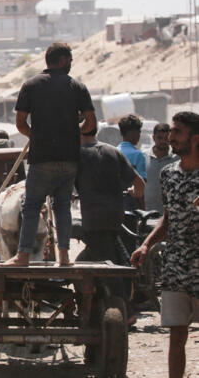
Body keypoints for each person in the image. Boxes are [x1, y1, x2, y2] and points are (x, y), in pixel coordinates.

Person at [0, 43, 96, 267]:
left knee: (32, 205)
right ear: (62, 60)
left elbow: (20, 123)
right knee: (62, 205)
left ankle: (23, 256)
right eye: (70, 60)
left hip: (42, 158)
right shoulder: (77, 87)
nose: (71, 65)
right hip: (69, 158)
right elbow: (90, 122)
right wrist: (72, 134)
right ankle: (63, 257)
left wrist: (38, 136)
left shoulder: (31, 85)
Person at [130, 111, 199, 378]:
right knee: (176, 335)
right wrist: (146, 245)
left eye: (177, 132)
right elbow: (167, 220)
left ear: (195, 138)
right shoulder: (169, 174)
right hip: (175, 268)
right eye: (170, 132)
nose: (170, 138)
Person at [74, 125, 144, 321]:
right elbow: (140, 185)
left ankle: (126, 313)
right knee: (93, 261)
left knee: (106, 267)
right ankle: (96, 308)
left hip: (95, 219)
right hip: (115, 217)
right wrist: (132, 193)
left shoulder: (77, 155)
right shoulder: (113, 151)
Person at [145, 122, 179, 212]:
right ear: (153, 138)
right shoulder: (143, 156)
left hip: (171, 212)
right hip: (147, 211)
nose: (163, 141)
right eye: (159, 138)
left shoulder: (177, 158)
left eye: (166, 138)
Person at [118, 114, 147, 210]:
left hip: (115, 204)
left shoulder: (113, 152)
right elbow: (141, 188)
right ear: (133, 133)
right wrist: (143, 210)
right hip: (132, 205)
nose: (139, 135)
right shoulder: (138, 155)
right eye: (139, 132)